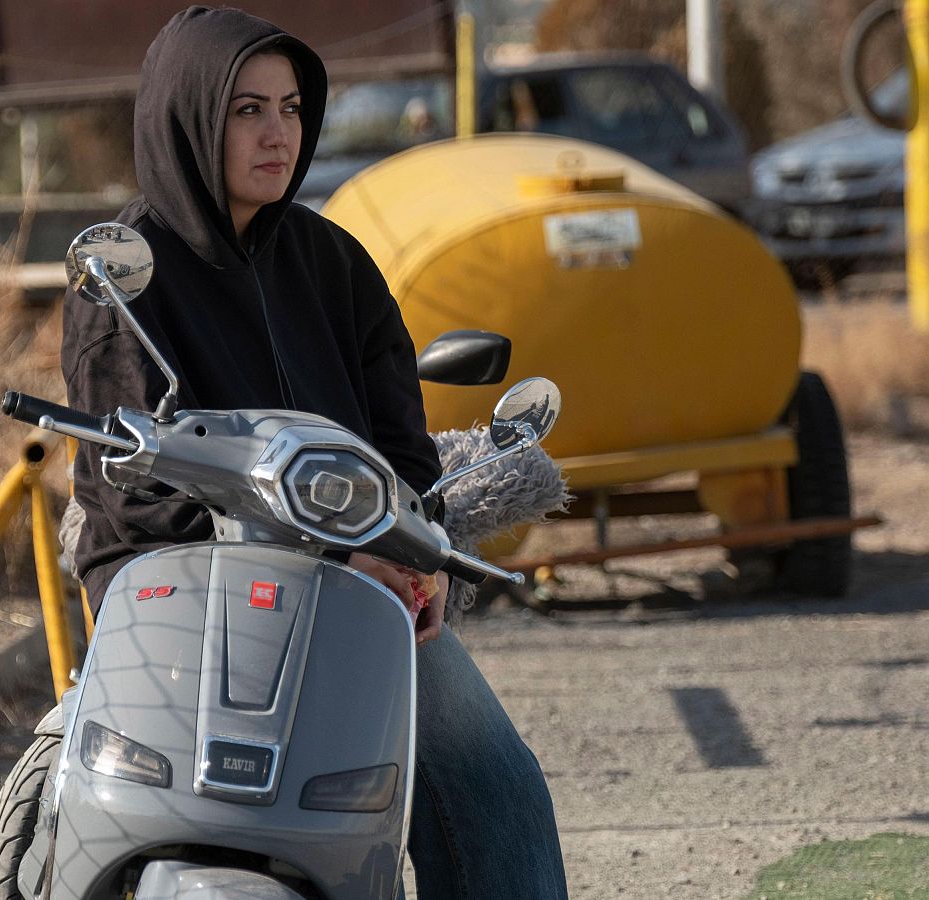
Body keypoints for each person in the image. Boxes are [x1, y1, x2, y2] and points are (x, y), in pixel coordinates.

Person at [61, 7, 568, 898]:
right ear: (190, 118)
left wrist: (419, 560)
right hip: (179, 587)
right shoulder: (128, 271)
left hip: (356, 593)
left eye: (292, 108)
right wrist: (344, 555)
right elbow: (130, 481)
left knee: (498, 790)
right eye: (247, 110)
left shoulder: (334, 263)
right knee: (101, 807)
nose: (278, 133)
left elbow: (403, 449)